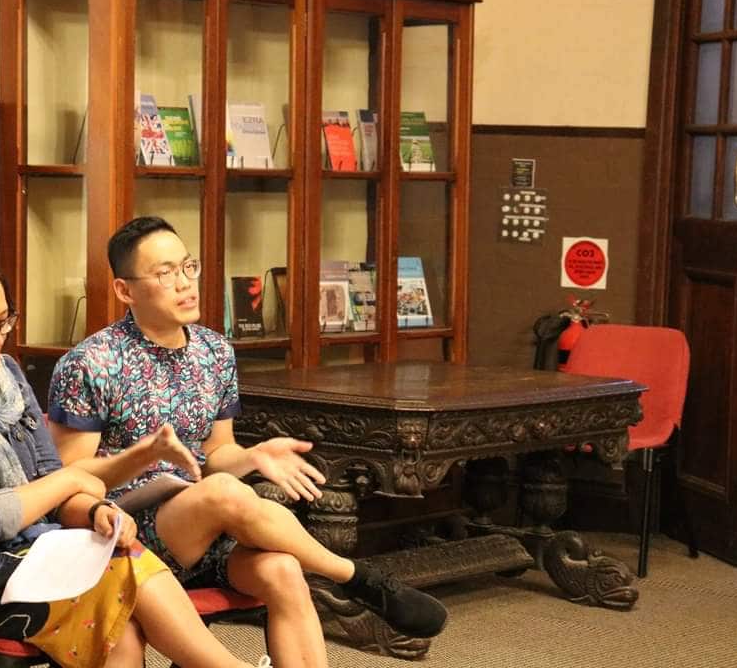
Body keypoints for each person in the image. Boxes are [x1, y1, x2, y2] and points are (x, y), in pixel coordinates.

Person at [48, 217, 449, 668]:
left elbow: (218, 453)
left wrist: (253, 456)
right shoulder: (90, 363)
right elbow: (71, 479)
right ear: (125, 290)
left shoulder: (215, 351)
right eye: (164, 274)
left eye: (188, 267)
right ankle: (354, 576)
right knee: (221, 493)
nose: (184, 284)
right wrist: (145, 458)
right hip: (125, 537)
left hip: (205, 526)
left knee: (281, 569)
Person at [0, 247, 268, 668]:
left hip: (28, 549)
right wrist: (71, 483)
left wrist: (93, 513)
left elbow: (47, 473)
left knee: (120, 583)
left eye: (5, 321)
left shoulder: (5, 376)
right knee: (117, 583)